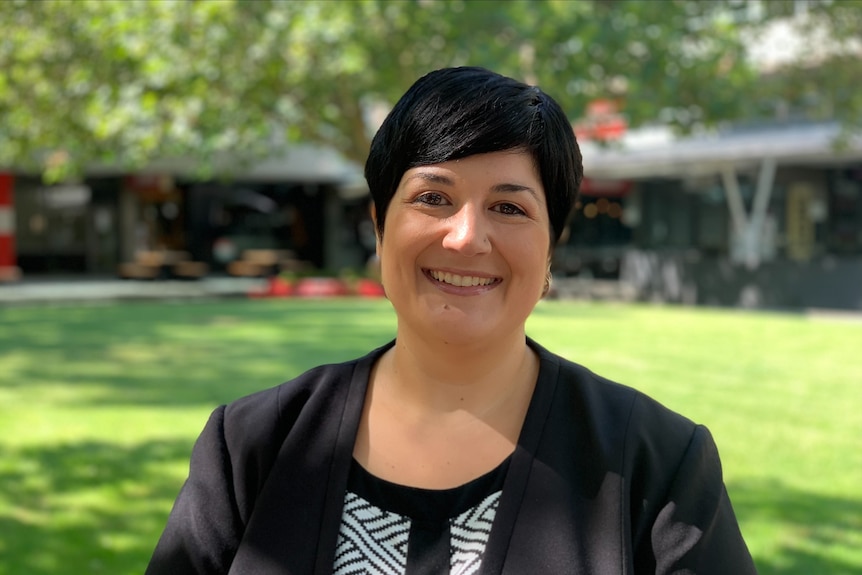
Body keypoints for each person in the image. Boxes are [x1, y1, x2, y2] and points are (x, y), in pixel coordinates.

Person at [146, 67, 756, 574]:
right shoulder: (251, 445)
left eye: (509, 207)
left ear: (551, 247)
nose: (467, 238)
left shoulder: (659, 464)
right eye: (433, 198)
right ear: (381, 226)